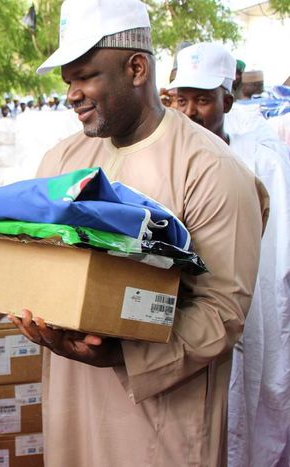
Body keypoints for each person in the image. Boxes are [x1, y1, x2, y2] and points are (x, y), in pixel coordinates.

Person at [8, 1, 269, 466]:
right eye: (69, 80)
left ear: (135, 68)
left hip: (161, 427)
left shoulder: (210, 169)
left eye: (86, 76)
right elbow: (31, 252)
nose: (73, 94)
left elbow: (222, 312)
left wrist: (120, 354)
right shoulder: (61, 161)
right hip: (73, 406)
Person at [168, 42, 290, 467]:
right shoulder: (168, 160)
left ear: (227, 99)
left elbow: (279, 262)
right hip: (190, 325)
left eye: (202, 100)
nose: (190, 111)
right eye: (180, 100)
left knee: (251, 420)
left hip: (255, 318)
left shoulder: (261, 161)